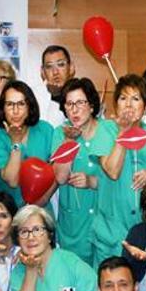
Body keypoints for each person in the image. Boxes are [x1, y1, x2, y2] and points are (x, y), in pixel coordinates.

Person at [92, 74, 146, 265]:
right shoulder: (105, 130)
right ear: (115, 104)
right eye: (123, 98)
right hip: (110, 234)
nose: (128, 104)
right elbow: (112, 171)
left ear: (145, 107)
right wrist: (124, 132)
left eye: (135, 99)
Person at [10, 205, 99, 291]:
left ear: (49, 235)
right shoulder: (19, 270)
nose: (31, 237)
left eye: (37, 230)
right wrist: (31, 271)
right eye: (24, 232)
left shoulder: (73, 265)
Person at [50, 77, 103, 264]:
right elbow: (60, 177)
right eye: (69, 104)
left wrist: (92, 181)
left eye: (80, 103)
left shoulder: (108, 130)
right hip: (73, 225)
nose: (74, 110)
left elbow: (118, 175)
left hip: (105, 221)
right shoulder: (60, 133)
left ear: (91, 105)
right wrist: (69, 142)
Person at [0, 80, 55, 207]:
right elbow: (12, 181)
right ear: (2, 108)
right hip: (5, 209)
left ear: (30, 106)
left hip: (39, 207)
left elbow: (56, 169)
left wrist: (44, 199)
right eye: (10, 104)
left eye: (21, 104)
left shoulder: (45, 130)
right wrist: (16, 142)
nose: (15, 111)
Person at [35, 45, 76, 128]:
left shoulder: (83, 92)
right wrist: (55, 96)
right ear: (42, 72)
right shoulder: (31, 95)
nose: (55, 72)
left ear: (71, 67)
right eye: (49, 66)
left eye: (61, 65)